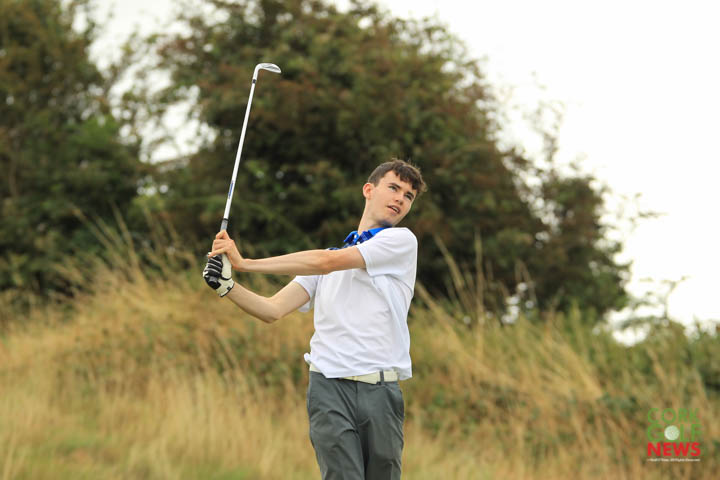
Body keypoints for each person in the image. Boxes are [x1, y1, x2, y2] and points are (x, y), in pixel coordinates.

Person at [203, 159, 427, 479]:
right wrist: (227, 286)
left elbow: (325, 262)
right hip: (328, 388)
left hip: (380, 391)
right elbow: (272, 310)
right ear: (369, 190)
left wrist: (245, 263)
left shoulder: (400, 242)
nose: (400, 199)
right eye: (393, 188)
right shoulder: (328, 259)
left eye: (408, 196)